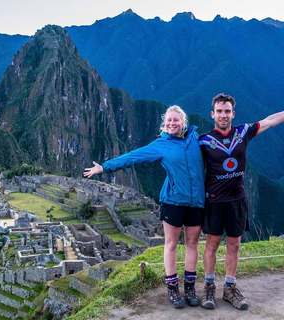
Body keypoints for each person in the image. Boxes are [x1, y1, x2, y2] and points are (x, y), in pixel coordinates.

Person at [84, 105, 205, 308]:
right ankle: (173, 287)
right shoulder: (161, 145)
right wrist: (104, 167)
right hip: (173, 202)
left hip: (196, 202)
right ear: (164, 124)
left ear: (183, 122)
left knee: (193, 244)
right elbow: (133, 157)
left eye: (176, 120)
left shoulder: (196, 139)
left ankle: (190, 287)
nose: (172, 123)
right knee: (171, 244)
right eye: (169, 121)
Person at [198, 93, 284, 310]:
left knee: (234, 245)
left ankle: (229, 287)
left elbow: (270, 121)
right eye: (219, 111)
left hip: (237, 200)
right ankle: (209, 286)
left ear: (233, 113)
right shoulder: (204, 141)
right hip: (215, 201)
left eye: (227, 111)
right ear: (212, 114)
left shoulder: (243, 132)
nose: (223, 115)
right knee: (212, 244)